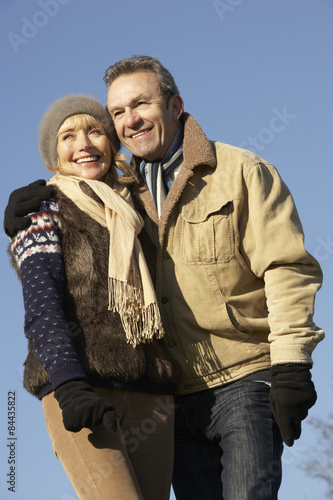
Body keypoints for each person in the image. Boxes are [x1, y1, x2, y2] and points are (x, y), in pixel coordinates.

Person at [4, 57, 324, 500]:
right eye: (117, 113)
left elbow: (287, 268)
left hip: (242, 379)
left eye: (141, 104)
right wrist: (29, 200)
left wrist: (291, 365)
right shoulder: (121, 197)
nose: (130, 120)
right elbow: (74, 198)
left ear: (175, 105)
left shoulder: (238, 171)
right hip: (173, 396)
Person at [7, 94, 179, 500]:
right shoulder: (42, 209)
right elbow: (42, 306)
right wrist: (69, 385)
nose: (83, 144)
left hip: (152, 396)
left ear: (111, 143)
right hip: (83, 388)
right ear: (54, 153)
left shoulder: (138, 207)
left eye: (94, 131)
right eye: (68, 136)